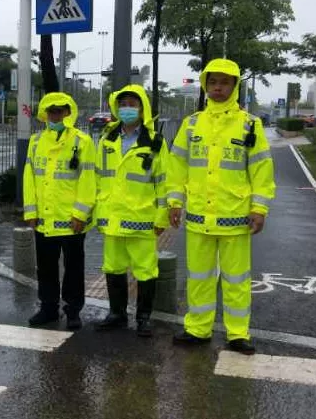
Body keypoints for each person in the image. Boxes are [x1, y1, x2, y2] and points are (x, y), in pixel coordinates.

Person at [166, 58, 276, 355]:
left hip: (234, 217)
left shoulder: (249, 124)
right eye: (213, 82)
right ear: (205, 85)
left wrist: (260, 208)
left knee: (236, 280)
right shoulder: (192, 124)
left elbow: (262, 170)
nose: (218, 87)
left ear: (235, 86)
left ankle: (238, 333)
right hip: (198, 216)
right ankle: (197, 329)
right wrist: (174, 202)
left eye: (224, 82)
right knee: (199, 277)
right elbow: (176, 166)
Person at [94, 85, 168, 337]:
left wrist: (162, 216)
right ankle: (117, 313)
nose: (127, 109)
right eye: (122, 104)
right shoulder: (107, 139)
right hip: (112, 216)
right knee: (113, 267)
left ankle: (143, 317)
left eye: (132, 104)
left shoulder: (155, 142)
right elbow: (97, 177)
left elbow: (164, 182)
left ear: (142, 108)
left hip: (142, 219)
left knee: (146, 270)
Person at [23, 92, 96, 330]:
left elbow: (88, 180)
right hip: (44, 219)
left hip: (71, 220)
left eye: (60, 111)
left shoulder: (82, 141)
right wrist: (30, 212)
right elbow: (29, 178)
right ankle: (48, 308)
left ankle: (73, 310)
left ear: (68, 112)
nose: (55, 115)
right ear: (45, 114)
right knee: (45, 267)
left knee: (73, 268)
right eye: (51, 111)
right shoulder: (36, 142)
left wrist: (80, 214)